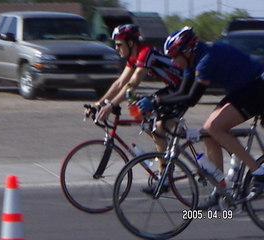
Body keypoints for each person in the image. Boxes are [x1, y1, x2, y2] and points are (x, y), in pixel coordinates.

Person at [138, 26, 264, 208]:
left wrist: (157, 101)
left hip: (257, 88)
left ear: (188, 51)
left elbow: (191, 98)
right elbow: (182, 91)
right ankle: (219, 190)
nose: (173, 61)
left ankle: (258, 172)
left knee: (215, 127)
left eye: (175, 56)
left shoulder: (206, 59)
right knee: (207, 132)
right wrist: (159, 103)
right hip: (242, 89)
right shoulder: (192, 61)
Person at [93, 24, 183, 174]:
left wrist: (111, 105)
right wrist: (99, 103)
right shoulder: (133, 57)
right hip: (173, 88)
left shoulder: (146, 53)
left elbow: (132, 84)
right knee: (136, 110)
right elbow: (119, 83)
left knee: (158, 129)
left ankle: (165, 173)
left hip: (183, 89)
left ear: (130, 43)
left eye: (119, 44)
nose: (116, 48)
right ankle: (166, 148)